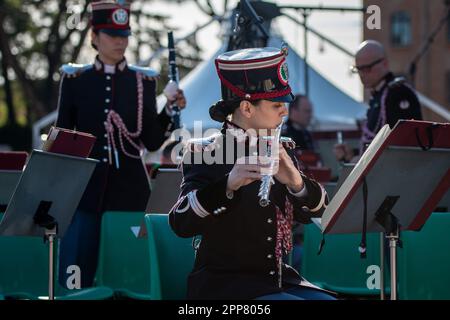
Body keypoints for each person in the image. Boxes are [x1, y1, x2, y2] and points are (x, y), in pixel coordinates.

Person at [169, 47, 334, 300]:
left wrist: (296, 182)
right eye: (277, 104)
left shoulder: (281, 148)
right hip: (224, 288)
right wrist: (228, 185)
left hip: (276, 281)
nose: (285, 112)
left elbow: (322, 213)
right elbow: (180, 223)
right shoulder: (205, 151)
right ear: (247, 108)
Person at [55, 0, 186, 288]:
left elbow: (150, 140)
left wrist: (169, 109)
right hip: (84, 194)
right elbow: (63, 137)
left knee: (130, 274)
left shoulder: (144, 81)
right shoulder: (76, 79)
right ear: (94, 36)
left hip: (129, 192)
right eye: (112, 35)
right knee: (75, 277)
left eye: (124, 35)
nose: (119, 41)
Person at [334, 40, 422, 163]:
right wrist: (352, 154)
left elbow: (404, 146)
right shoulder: (379, 95)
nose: (362, 74)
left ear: (385, 64)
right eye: (358, 69)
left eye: (367, 68)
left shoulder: (398, 93)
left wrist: (361, 161)